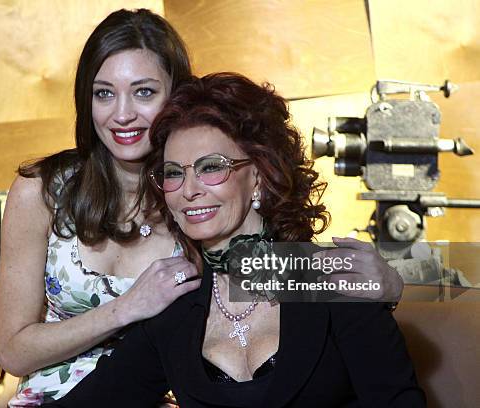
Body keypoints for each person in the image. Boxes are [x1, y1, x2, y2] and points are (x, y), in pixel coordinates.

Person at [42, 73, 426, 407]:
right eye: (174, 173)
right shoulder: (173, 313)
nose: (188, 190)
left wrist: (397, 284)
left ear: (258, 175)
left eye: (212, 168)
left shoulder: (334, 281)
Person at [0, 9, 200, 406]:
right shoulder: (41, 191)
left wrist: (350, 275)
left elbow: (267, 280)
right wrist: (127, 308)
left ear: (177, 95)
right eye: (104, 93)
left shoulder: (197, 193)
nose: (122, 114)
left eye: (144, 92)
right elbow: (13, 351)